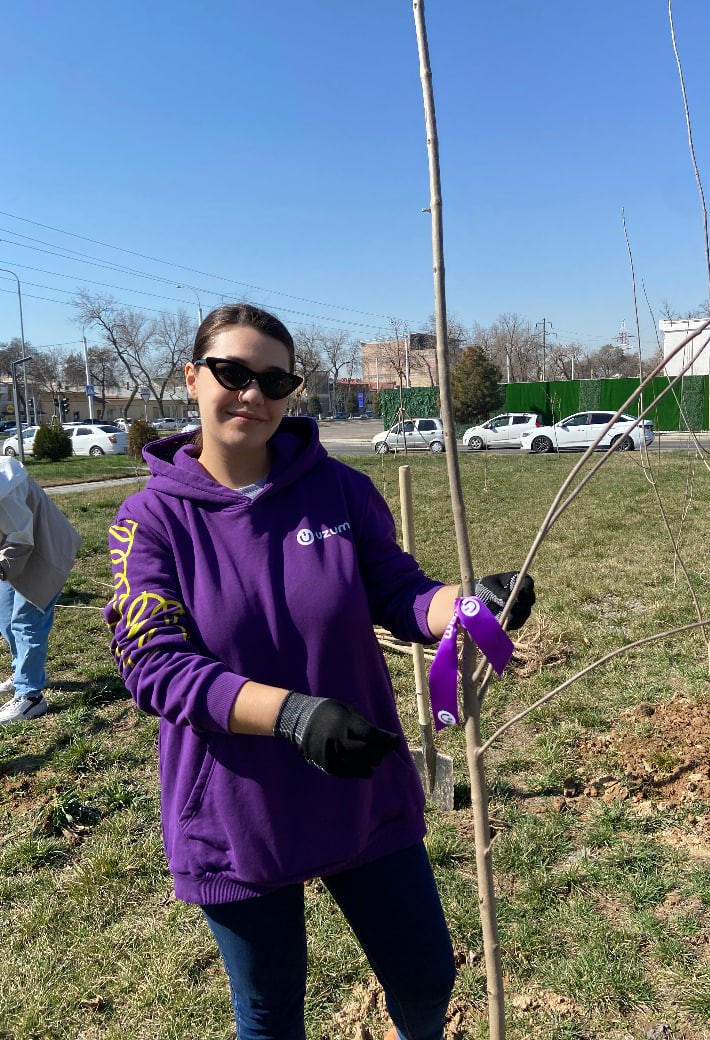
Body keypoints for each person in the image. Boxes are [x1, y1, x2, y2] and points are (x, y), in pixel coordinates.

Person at [104, 303, 535, 1040]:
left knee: (428, 974)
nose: (253, 395)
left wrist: (467, 607)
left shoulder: (339, 491)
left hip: (360, 782)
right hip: (239, 808)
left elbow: (397, 591)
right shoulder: (148, 522)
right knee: (272, 1015)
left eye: (275, 381)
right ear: (192, 378)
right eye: (233, 373)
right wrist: (291, 714)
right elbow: (155, 666)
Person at [0, 456, 82, 725]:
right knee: (6, 618)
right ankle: (24, 671)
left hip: (44, 553)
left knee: (26, 622)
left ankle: (30, 696)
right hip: (14, 556)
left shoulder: (5, 488)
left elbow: (20, 541)